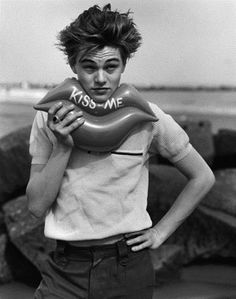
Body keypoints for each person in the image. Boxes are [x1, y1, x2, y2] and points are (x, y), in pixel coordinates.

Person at [26, 4, 215, 299]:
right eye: (89, 67)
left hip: (127, 267)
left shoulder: (148, 119)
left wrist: (161, 232)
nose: (100, 78)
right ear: (74, 66)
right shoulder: (50, 118)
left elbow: (202, 177)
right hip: (65, 269)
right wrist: (62, 147)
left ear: (123, 66)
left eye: (110, 67)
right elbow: (36, 207)